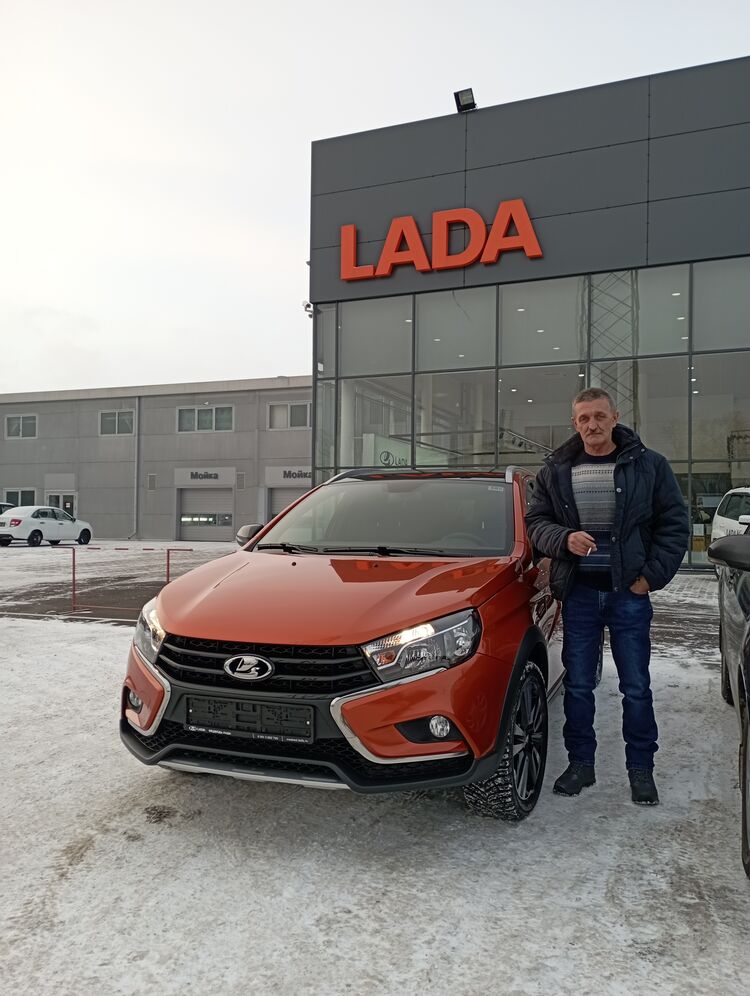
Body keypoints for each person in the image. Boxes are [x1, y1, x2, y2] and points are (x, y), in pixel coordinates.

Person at [525, 388, 689, 805]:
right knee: (578, 685)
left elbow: (674, 525)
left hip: (628, 595)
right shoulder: (558, 469)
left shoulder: (649, 465)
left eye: (599, 416)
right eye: (584, 418)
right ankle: (581, 764)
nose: (592, 425)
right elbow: (536, 523)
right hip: (579, 595)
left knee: (636, 687)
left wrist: (649, 578)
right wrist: (564, 539)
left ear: (615, 418)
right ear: (574, 423)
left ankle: (641, 769)